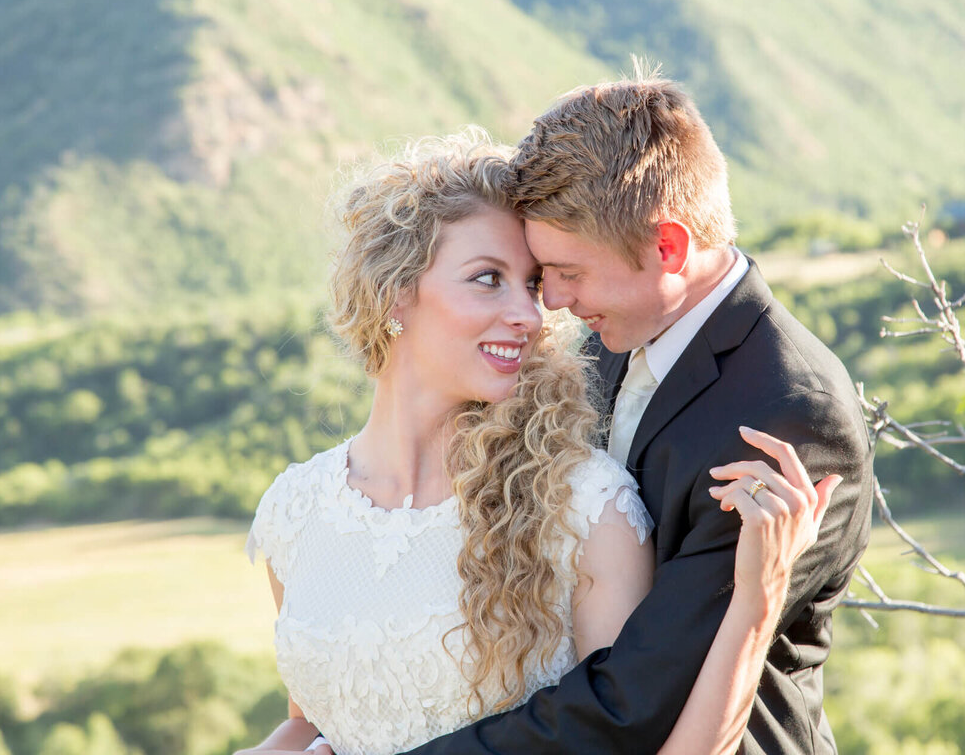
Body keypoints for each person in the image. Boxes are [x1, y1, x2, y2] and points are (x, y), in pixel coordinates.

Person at [237, 130, 839, 755]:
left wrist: (757, 600)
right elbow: (313, 724)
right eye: (487, 279)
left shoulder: (584, 508)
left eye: (531, 283)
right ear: (396, 294)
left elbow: (635, 734)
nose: (532, 313)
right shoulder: (296, 511)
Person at [399, 75, 875, 755]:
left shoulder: (791, 414)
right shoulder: (610, 339)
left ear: (669, 248)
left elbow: (640, 699)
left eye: (569, 271)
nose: (553, 302)